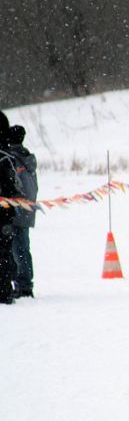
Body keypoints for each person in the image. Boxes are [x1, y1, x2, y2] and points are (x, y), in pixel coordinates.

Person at [7, 125, 38, 298]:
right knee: (21, 248)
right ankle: (22, 282)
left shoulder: (12, 158)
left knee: (18, 249)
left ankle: (24, 284)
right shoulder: (27, 157)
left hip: (15, 210)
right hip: (27, 209)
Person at [0, 110, 24, 305]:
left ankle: (5, 290)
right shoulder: (5, 159)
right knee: (5, 254)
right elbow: (15, 188)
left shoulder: (5, 159)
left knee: (5, 254)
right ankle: (5, 290)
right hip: (4, 215)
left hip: (3, 215)